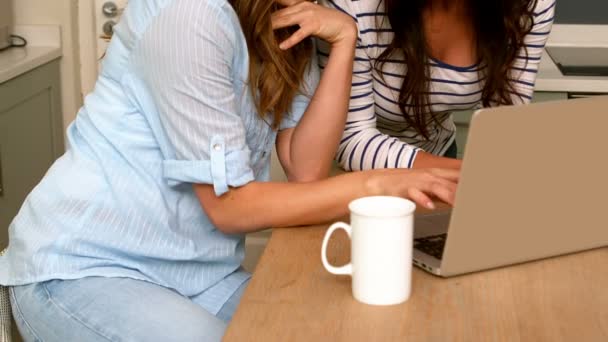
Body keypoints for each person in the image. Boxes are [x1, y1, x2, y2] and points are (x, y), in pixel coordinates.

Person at [0, 0, 458, 340]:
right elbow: (230, 206)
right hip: (85, 268)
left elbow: (305, 170)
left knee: (331, 330)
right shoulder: (190, 15)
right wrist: (377, 182)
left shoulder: (284, 20)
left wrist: (344, 41)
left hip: (201, 275)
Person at [318, 0, 555, 171]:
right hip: (351, 175)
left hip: (440, 156)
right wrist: (464, 175)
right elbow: (352, 138)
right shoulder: (351, 5)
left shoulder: (528, 6)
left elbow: (506, 123)